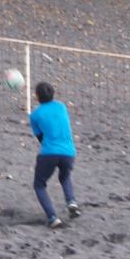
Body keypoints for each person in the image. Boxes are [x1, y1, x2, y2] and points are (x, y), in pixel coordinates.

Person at [30, 81, 80, 228]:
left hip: (49, 153)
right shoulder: (62, 107)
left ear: (37, 96)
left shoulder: (35, 115)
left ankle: (52, 217)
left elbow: (40, 138)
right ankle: (71, 202)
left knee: (39, 185)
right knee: (65, 176)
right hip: (69, 152)